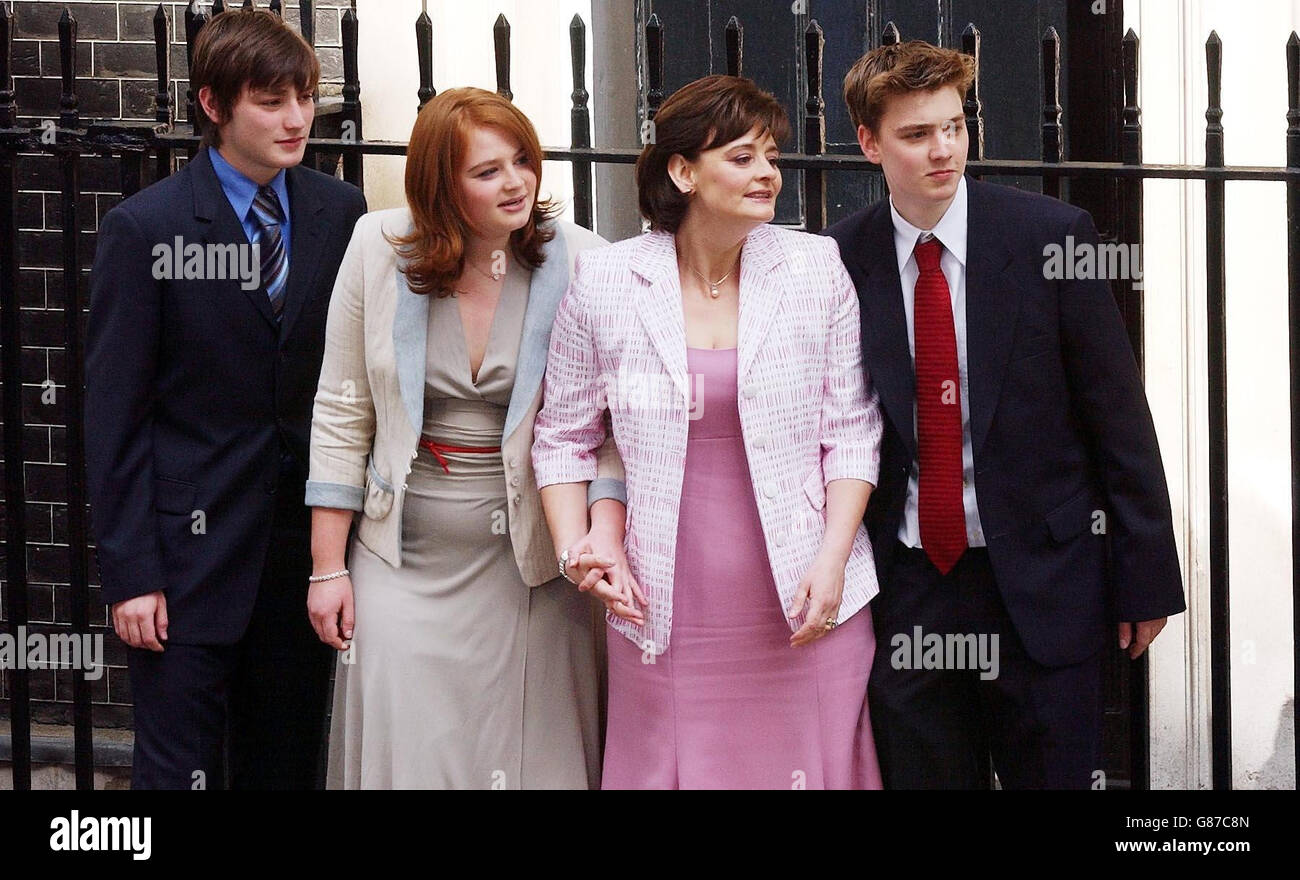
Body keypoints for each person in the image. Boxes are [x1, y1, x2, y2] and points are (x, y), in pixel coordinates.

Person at [825, 40, 1186, 789]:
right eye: (917, 134)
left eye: (954, 127)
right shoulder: (836, 260)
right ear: (868, 143)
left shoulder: (1051, 237)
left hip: (1045, 580)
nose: (943, 150)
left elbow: (1117, 415)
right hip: (910, 585)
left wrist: (1145, 577)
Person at [532, 74, 885, 789]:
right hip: (665, 603)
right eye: (743, 157)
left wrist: (832, 561)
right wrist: (581, 549)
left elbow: (850, 432)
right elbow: (562, 436)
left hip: (806, 592)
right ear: (683, 170)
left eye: (771, 157)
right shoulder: (605, 281)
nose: (767, 174)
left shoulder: (816, 268)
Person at [305, 87, 625, 789]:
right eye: (487, 172)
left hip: (536, 566)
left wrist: (598, 533)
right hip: (401, 559)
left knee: (534, 758)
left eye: (522, 161)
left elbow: (606, 430)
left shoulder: (586, 259)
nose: (516, 182)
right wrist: (328, 567)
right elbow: (341, 409)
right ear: (439, 186)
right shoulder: (377, 247)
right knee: (412, 756)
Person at [84, 9, 367, 789]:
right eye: (272, 101)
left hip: (299, 557)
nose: (298, 118)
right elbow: (114, 419)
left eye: (305, 97)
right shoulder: (147, 229)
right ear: (214, 105)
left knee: (286, 764)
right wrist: (132, 574)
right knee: (178, 774)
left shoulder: (339, 213)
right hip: (184, 564)